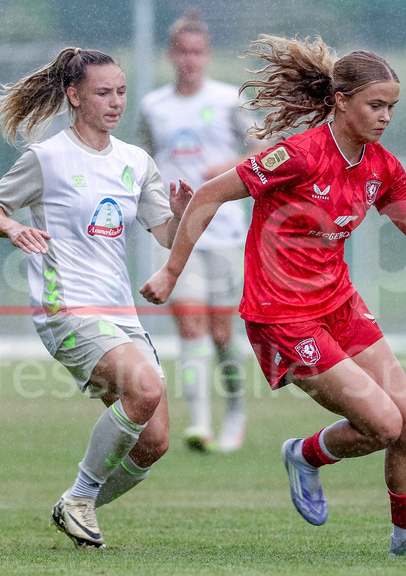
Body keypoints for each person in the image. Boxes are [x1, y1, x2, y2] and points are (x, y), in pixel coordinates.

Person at [141, 35, 406, 558]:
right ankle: (304, 456)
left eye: (391, 107)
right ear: (341, 101)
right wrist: (171, 272)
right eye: (375, 105)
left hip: (337, 305)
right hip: (281, 316)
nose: (385, 117)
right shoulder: (298, 155)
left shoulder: (382, 166)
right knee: (383, 423)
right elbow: (209, 194)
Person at [0, 47, 193, 548]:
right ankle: (79, 496)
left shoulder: (135, 161)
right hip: (65, 307)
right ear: (74, 96)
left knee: (155, 442)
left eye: (120, 91)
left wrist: (179, 215)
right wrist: (11, 228)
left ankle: (78, 504)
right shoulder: (47, 158)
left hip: (120, 314)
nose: (115, 102)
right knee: (145, 388)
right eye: (102, 92)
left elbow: (164, 235)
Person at [137, 12, 268, 454]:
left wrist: (225, 169)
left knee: (221, 334)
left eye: (197, 52)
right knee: (189, 329)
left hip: (226, 231)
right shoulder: (154, 106)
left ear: (206, 55)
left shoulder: (229, 99)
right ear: (172, 55)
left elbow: (261, 150)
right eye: (182, 51)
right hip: (179, 235)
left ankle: (235, 413)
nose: (189, 60)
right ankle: (199, 424)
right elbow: (143, 163)